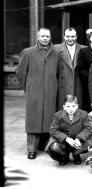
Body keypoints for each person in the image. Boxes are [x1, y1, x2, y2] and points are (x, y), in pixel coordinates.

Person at [16, 28, 59, 160]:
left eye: (47, 36)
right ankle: (31, 149)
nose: (45, 38)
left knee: (48, 119)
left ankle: (43, 146)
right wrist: (28, 87)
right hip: (34, 91)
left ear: (50, 37)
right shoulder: (28, 52)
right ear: (38, 37)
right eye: (43, 36)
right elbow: (20, 73)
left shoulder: (56, 53)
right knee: (33, 120)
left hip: (50, 91)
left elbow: (57, 73)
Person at [46, 95, 92, 166]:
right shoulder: (58, 115)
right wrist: (66, 139)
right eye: (68, 106)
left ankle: (76, 154)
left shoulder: (83, 114)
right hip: (64, 142)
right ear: (64, 107)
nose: (71, 109)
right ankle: (64, 156)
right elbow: (53, 130)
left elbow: (88, 128)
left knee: (91, 142)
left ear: (77, 106)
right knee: (54, 147)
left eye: (73, 106)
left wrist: (79, 139)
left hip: (78, 141)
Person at [54, 27, 85, 111]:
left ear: (76, 37)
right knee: (63, 108)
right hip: (63, 84)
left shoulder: (84, 49)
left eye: (72, 36)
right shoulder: (56, 49)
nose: (70, 39)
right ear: (64, 37)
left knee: (78, 108)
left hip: (78, 84)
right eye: (67, 36)